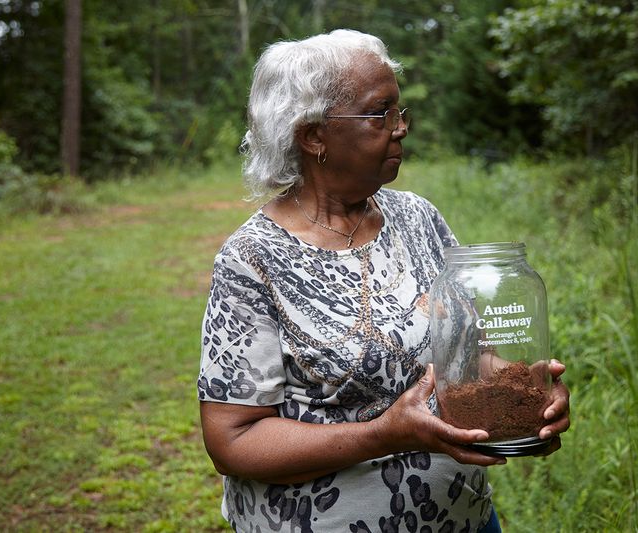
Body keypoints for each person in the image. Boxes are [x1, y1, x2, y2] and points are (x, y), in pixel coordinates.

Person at [197, 29, 570, 532]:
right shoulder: (253, 259)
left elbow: (464, 353)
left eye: (400, 112)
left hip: (462, 519)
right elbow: (233, 440)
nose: (400, 129)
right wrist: (384, 434)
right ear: (312, 135)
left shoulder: (418, 218)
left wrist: (529, 393)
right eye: (380, 113)